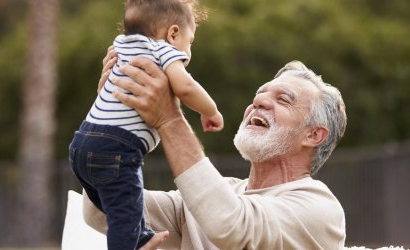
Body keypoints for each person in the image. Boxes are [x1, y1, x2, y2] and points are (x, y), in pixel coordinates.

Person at [82, 55, 348, 249]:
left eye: (283, 99)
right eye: (260, 94)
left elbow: (230, 225)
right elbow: (102, 211)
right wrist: (110, 119)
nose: (258, 101)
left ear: (313, 135)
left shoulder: (319, 208)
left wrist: (169, 119)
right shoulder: (217, 194)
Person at [68, 0, 223, 249]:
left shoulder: (122, 45)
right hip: (117, 148)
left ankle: (138, 236)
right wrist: (211, 111)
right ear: (173, 33)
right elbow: (185, 87)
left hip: (81, 143)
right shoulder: (164, 51)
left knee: (116, 208)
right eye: (190, 41)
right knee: (125, 212)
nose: (189, 51)